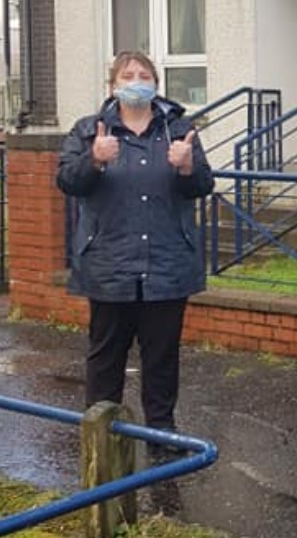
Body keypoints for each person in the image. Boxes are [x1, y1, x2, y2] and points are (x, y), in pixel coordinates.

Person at [56, 51, 214, 457]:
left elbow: (203, 185)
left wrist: (185, 167)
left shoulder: (177, 129)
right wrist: (94, 159)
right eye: (128, 75)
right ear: (113, 85)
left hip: (167, 264)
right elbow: (67, 181)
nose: (137, 80)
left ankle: (161, 436)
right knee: (106, 355)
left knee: (161, 356)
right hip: (110, 263)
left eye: (144, 74)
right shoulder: (90, 130)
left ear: (156, 85)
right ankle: (103, 440)